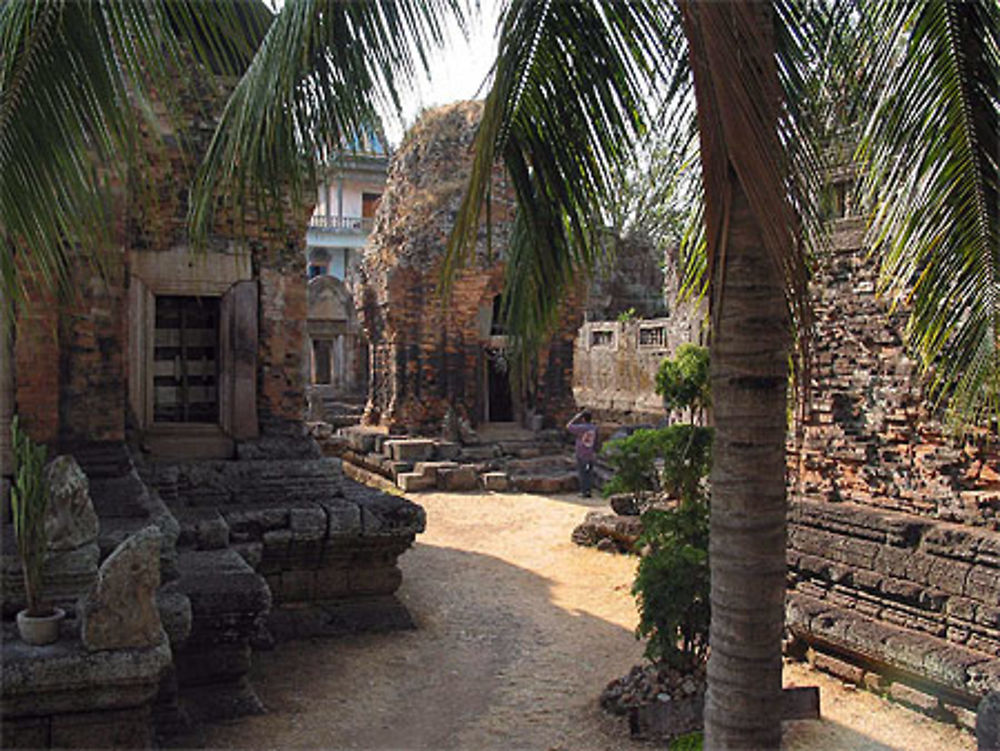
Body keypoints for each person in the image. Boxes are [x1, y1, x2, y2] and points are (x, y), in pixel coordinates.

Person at [566, 410, 598, 498]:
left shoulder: (581, 428)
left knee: (582, 473)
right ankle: (588, 490)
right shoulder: (594, 428)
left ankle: (584, 492)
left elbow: (568, 426)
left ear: (583, 419)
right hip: (590, 453)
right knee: (589, 473)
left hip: (581, 453)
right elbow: (596, 441)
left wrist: (575, 418)